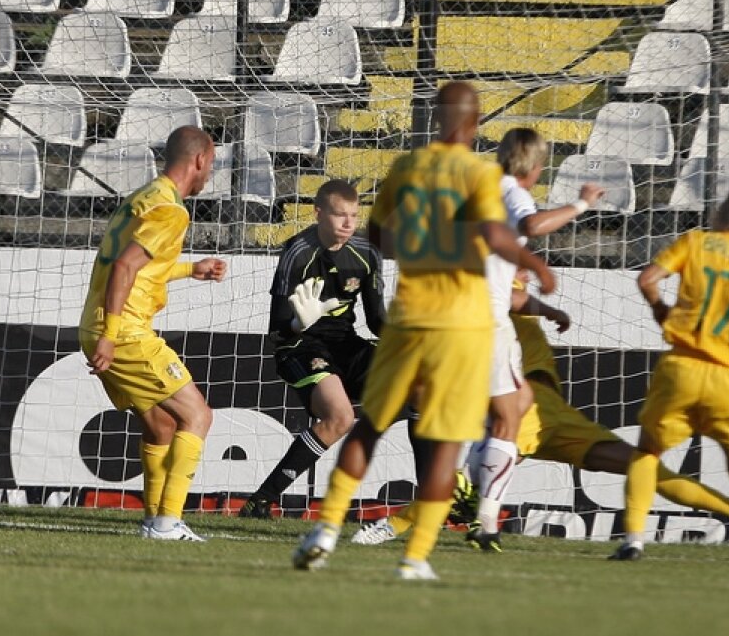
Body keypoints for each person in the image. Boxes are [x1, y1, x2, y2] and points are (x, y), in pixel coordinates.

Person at [291, 82, 555, 580]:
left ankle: (325, 531)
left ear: (435, 119)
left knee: (369, 426)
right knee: (446, 445)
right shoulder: (482, 174)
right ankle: (415, 559)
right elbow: (493, 232)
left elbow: (378, 235)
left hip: (408, 317)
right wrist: (532, 263)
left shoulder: (407, 168)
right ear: (475, 125)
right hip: (463, 325)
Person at [353, 274, 729, 547]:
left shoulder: (496, 293)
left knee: (642, 464)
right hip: (524, 409)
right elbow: (508, 298)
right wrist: (551, 309)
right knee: (467, 489)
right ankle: (395, 525)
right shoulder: (495, 290)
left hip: (555, 413)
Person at [612, 180, 729, 564]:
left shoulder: (695, 243)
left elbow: (647, 279)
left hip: (683, 365)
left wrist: (660, 309)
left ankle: (634, 540)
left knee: (647, 450)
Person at [79, 126, 227, 542]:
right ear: (198, 160)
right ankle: (167, 523)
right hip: (123, 330)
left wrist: (188, 269)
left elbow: (137, 265)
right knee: (198, 415)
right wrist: (111, 334)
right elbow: (124, 267)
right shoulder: (172, 210)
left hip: (100, 322)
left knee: (161, 425)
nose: (209, 174)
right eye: (211, 165)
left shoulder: (144, 197)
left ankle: (153, 520)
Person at [466, 127, 604, 552]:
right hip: (484, 322)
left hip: (458, 313)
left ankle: (478, 498)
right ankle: (483, 515)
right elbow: (533, 224)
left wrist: (547, 310)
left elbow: (501, 282)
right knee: (510, 415)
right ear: (533, 165)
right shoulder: (511, 192)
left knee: (515, 405)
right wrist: (580, 204)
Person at [239, 180, 387, 519]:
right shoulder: (298, 253)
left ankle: (440, 501)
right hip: (299, 345)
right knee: (340, 417)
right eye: (339, 215)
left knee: (420, 386)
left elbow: (378, 321)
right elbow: (277, 329)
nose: (349, 224)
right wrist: (297, 324)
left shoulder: (366, 254)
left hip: (345, 344)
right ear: (319, 213)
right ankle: (260, 500)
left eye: (354, 215)